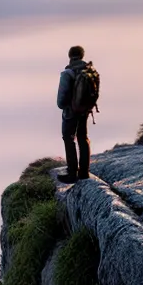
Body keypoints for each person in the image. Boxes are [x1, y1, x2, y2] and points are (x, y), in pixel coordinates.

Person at [57, 44, 91, 182]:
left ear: (70, 56)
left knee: (68, 138)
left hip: (71, 112)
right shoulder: (89, 71)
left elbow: (61, 100)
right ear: (82, 55)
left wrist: (64, 106)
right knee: (83, 137)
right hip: (85, 110)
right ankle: (84, 172)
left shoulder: (67, 73)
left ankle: (72, 173)